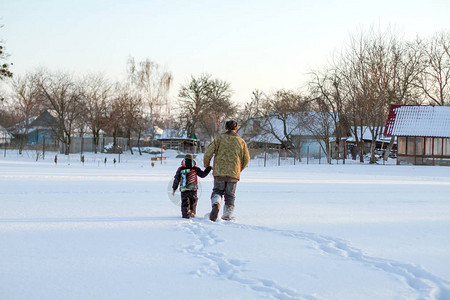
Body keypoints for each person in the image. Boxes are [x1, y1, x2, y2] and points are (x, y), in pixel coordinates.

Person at [204, 120, 250, 221]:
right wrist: (238, 170)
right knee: (230, 195)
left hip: (219, 172)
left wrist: (207, 165)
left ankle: (216, 203)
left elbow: (208, 153)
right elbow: (246, 159)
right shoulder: (241, 141)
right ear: (236, 129)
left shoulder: (219, 138)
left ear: (226, 128)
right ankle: (226, 216)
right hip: (233, 173)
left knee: (217, 191)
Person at [172, 154, 211, 219]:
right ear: (192, 160)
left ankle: (185, 215)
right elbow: (202, 175)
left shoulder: (180, 169)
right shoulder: (195, 168)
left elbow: (177, 179)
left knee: (185, 203)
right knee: (193, 202)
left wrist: (174, 188)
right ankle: (192, 213)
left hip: (184, 189)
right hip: (193, 189)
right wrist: (208, 168)